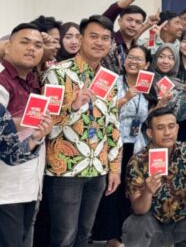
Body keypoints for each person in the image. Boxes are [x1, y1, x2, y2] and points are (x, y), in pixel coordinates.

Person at [43, 15, 123, 247]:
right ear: (81, 39)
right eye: (93, 36)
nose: (99, 42)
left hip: (97, 167)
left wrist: (114, 167)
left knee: (85, 234)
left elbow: (112, 124)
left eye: (105, 38)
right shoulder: (58, 73)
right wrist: (73, 106)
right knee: (64, 236)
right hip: (65, 168)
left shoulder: (109, 78)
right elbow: (46, 123)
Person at [122, 107, 186, 247]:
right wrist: (148, 192)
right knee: (134, 228)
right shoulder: (138, 161)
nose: (167, 132)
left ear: (177, 128)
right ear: (150, 133)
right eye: (160, 128)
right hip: (151, 222)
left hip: (180, 218)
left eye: (171, 126)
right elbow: (138, 209)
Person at [91, 45, 152, 246]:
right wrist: (125, 98)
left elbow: (142, 119)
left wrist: (158, 107)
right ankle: (110, 236)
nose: (133, 62)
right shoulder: (111, 81)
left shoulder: (146, 88)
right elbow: (97, 111)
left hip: (135, 146)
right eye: (130, 57)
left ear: (147, 65)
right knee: (111, 190)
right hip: (112, 144)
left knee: (129, 190)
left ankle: (123, 235)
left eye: (139, 59)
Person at [0, 23, 54, 247]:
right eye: (24, 42)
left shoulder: (35, 80)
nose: (31, 48)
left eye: (38, 45)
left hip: (30, 183)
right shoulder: (2, 80)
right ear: (7, 47)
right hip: (5, 187)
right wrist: (26, 123)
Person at [148, 44, 186, 124]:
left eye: (171, 58)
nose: (165, 61)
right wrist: (159, 105)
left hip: (166, 129)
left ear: (176, 62)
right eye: (161, 57)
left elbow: (179, 117)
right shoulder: (146, 79)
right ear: (155, 58)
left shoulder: (178, 85)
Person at [102, 5, 147, 75]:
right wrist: (128, 0)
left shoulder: (135, 47)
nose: (133, 25)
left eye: (138, 22)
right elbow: (105, 19)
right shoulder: (109, 39)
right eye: (129, 20)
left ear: (141, 26)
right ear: (119, 21)